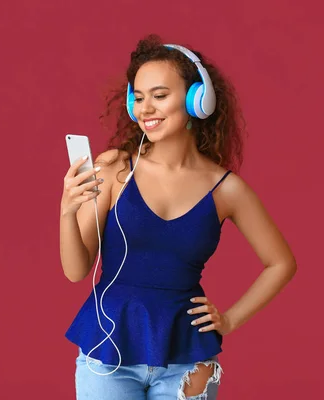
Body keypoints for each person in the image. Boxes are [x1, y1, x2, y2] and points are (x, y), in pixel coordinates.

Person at [59, 34, 297, 400]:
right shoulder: (115, 168)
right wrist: (67, 209)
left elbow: (281, 263)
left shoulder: (226, 189)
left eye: (159, 95)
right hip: (107, 351)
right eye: (138, 98)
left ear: (196, 100)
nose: (145, 109)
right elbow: (77, 271)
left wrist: (230, 319)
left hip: (189, 358)